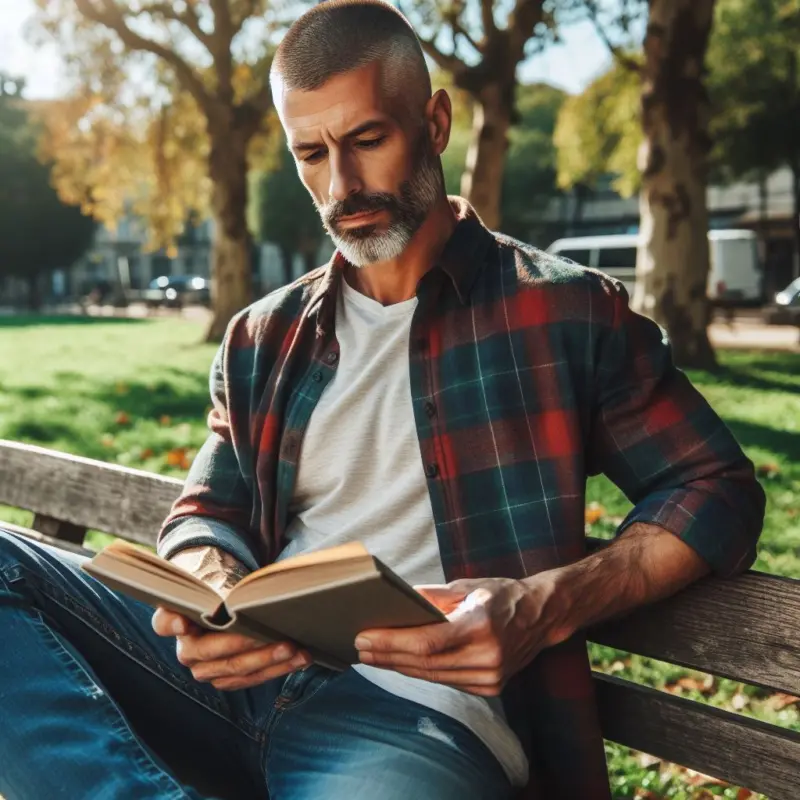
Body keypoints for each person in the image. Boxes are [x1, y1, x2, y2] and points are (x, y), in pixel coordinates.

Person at [0, 1, 766, 798]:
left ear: (434, 121)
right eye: (311, 153)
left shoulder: (566, 313)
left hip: (417, 719)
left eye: (368, 140)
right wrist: (211, 582)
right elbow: (210, 513)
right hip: (237, 683)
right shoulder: (263, 336)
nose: (342, 185)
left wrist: (544, 604)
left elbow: (715, 488)